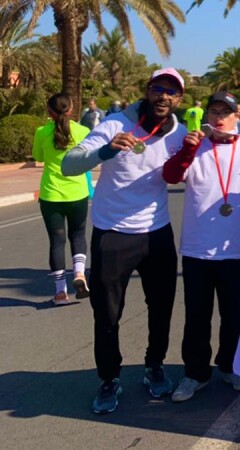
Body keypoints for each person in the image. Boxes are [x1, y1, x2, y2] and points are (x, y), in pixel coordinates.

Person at [62, 68, 187, 414]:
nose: (164, 96)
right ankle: (108, 379)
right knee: (106, 315)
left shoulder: (181, 134)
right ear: (148, 91)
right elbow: (69, 165)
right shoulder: (114, 124)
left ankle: (154, 366)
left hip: (157, 233)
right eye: (158, 88)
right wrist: (104, 151)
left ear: (179, 100)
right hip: (113, 234)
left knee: (161, 309)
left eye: (172, 92)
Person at [163, 92, 240, 402]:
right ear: (206, 115)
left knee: (232, 314)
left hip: (235, 250)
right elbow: (171, 175)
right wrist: (186, 151)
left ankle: (231, 366)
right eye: (213, 111)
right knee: (196, 315)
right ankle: (195, 374)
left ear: (237, 115)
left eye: (225, 112)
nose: (219, 117)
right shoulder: (194, 147)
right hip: (197, 250)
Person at [32, 93, 92, 305]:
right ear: (72, 107)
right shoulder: (83, 131)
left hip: (51, 195)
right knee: (78, 235)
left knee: (57, 241)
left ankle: (60, 292)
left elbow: (38, 157)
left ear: (49, 112)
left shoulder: (42, 132)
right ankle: (79, 274)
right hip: (77, 193)